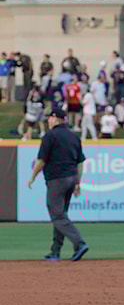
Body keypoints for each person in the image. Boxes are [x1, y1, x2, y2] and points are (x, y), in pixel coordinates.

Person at [26, 107, 89, 262]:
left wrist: (32, 176)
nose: (48, 120)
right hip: (71, 178)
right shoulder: (74, 136)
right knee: (60, 216)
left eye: (50, 118)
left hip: (57, 180)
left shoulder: (50, 136)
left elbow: (41, 160)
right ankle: (55, 251)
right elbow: (80, 162)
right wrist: (78, 182)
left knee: (57, 215)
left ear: (55, 119)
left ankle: (79, 243)